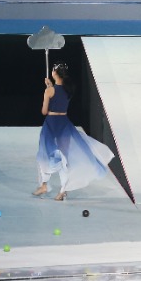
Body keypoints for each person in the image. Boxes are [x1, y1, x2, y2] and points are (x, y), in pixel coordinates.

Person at [33, 63, 114, 200]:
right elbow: (58, 97)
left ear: (54, 74)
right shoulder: (68, 89)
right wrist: (50, 87)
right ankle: (62, 191)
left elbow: (44, 111)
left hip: (51, 126)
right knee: (65, 159)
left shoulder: (49, 91)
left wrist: (48, 91)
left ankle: (44, 185)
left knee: (45, 155)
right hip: (64, 125)